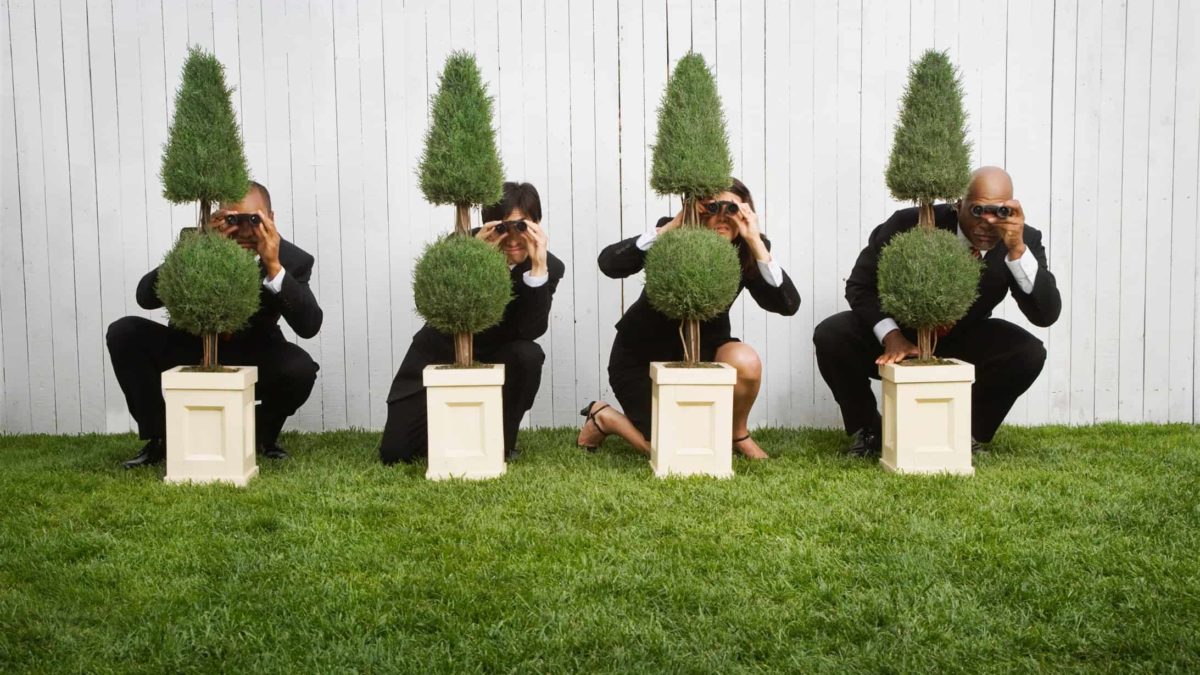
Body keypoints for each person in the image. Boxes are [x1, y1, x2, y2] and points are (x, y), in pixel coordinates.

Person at [813, 166, 1062, 456]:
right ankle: (869, 432)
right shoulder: (910, 224)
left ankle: (964, 434)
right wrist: (890, 335)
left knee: (1028, 353)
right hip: (900, 336)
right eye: (978, 211)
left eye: (999, 212)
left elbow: (1045, 315)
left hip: (962, 337)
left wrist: (1017, 249)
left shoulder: (1023, 240)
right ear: (959, 205)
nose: (988, 223)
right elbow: (860, 285)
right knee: (832, 335)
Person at [577, 178, 801, 459]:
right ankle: (605, 417)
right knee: (677, 449)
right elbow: (609, 263)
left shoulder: (748, 247)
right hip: (641, 358)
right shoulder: (674, 235)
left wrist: (755, 241)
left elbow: (788, 305)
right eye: (712, 207)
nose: (722, 216)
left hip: (706, 355)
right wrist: (671, 228)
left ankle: (738, 433)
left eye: (731, 209)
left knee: (746, 360)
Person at [107, 181, 323, 467]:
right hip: (191, 344)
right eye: (233, 220)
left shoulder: (292, 259)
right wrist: (199, 245)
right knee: (125, 332)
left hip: (253, 351)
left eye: (254, 220)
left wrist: (274, 267)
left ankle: (260, 437)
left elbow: (309, 326)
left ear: (272, 218)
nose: (245, 231)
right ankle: (162, 438)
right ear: (218, 217)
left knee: (300, 369)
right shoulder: (195, 243)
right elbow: (144, 297)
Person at [380, 182, 565, 465]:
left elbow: (531, 331)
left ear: (537, 224)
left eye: (522, 226)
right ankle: (455, 434)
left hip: (502, 356)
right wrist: (471, 258)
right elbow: (430, 303)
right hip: (441, 348)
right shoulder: (459, 244)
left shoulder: (549, 266)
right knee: (397, 454)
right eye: (505, 226)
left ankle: (502, 441)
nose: (513, 238)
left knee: (528, 354)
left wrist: (538, 268)